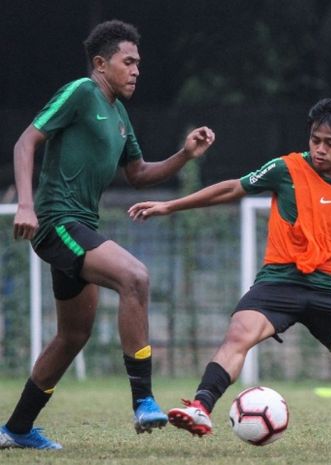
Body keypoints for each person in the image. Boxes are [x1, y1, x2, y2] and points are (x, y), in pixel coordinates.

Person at [127, 98, 331, 448]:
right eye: (315, 140)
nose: (320, 149)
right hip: (279, 281)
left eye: (330, 144)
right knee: (238, 336)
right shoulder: (285, 168)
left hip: (326, 290)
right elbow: (232, 188)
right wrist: (170, 205)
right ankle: (201, 406)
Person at [1, 20, 215, 450]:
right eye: (128, 61)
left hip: (80, 226)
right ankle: (144, 400)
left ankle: (16, 429)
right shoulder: (82, 92)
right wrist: (26, 204)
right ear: (101, 64)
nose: (136, 70)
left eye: (139, 63)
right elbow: (26, 142)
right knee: (134, 276)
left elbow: (138, 174)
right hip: (59, 221)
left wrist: (184, 155)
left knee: (73, 335)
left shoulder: (119, 115)